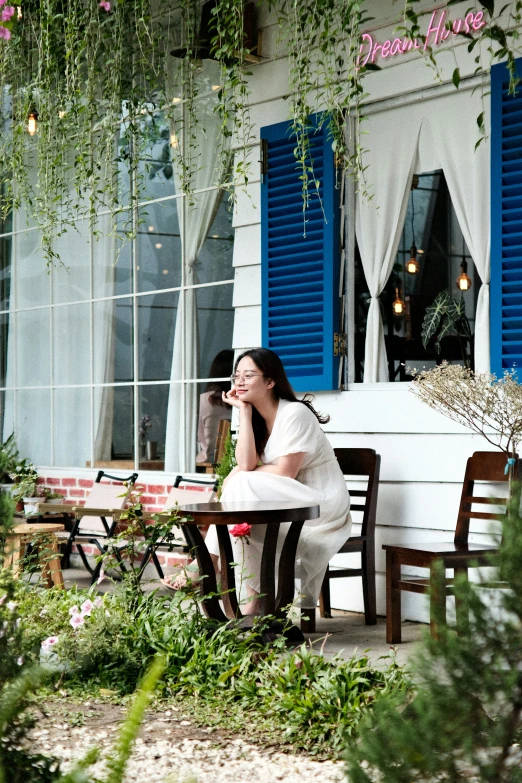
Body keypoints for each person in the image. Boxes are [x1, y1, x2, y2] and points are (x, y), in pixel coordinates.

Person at [162, 347, 351, 614]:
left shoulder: (295, 413)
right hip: (286, 501)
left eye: (248, 375)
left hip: (319, 505)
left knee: (239, 483)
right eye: (236, 375)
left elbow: (286, 471)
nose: (239, 382)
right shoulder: (256, 418)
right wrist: (244, 413)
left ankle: (206, 564)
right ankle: (253, 600)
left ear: (270, 381)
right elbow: (247, 463)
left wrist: (238, 475)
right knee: (244, 523)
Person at [196, 349, 234, 465]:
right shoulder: (239, 401)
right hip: (232, 460)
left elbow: (197, 434)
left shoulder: (203, 400)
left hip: (206, 461)